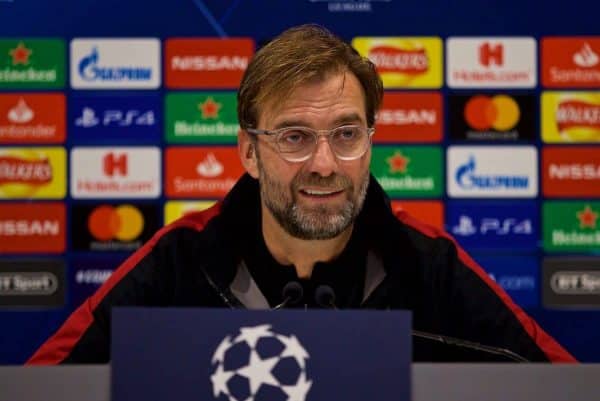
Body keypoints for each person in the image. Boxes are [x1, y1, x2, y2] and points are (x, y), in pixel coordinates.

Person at [28, 24, 575, 364]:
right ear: (248, 152)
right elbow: (42, 386)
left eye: (346, 134)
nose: (324, 164)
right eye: (294, 137)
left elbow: (562, 384)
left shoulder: (429, 263)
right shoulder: (181, 259)